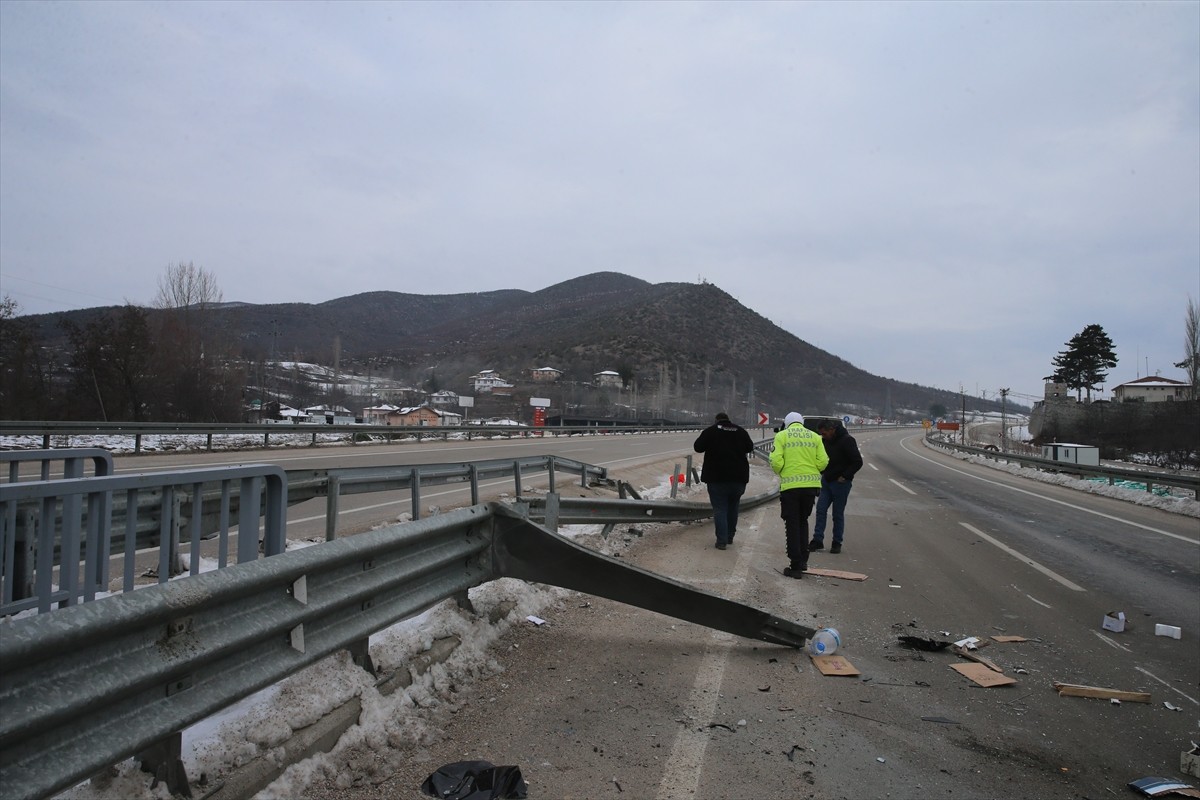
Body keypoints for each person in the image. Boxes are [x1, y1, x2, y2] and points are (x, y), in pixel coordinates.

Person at [769, 412, 829, 578]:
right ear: (801, 423)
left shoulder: (782, 436)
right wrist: (812, 470)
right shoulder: (815, 437)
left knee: (792, 523)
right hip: (811, 487)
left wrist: (781, 471)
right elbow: (823, 461)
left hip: (791, 487)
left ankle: (795, 565)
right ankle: (803, 561)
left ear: (787, 423)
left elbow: (775, 460)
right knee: (803, 521)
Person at [693, 411, 756, 550]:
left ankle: (721, 541)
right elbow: (750, 447)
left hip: (716, 478)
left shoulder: (710, 431)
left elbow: (697, 447)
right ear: (729, 420)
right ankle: (729, 536)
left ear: (716, 421)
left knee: (720, 509)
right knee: (733, 507)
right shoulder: (740, 431)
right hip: (738, 478)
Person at [809, 419, 864, 554]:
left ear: (832, 430)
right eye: (821, 434)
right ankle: (817, 540)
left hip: (841, 483)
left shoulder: (847, 440)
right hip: (827, 481)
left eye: (824, 433)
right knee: (821, 510)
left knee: (837, 514)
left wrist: (845, 476)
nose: (823, 436)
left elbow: (857, 462)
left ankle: (837, 542)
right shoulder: (825, 441)